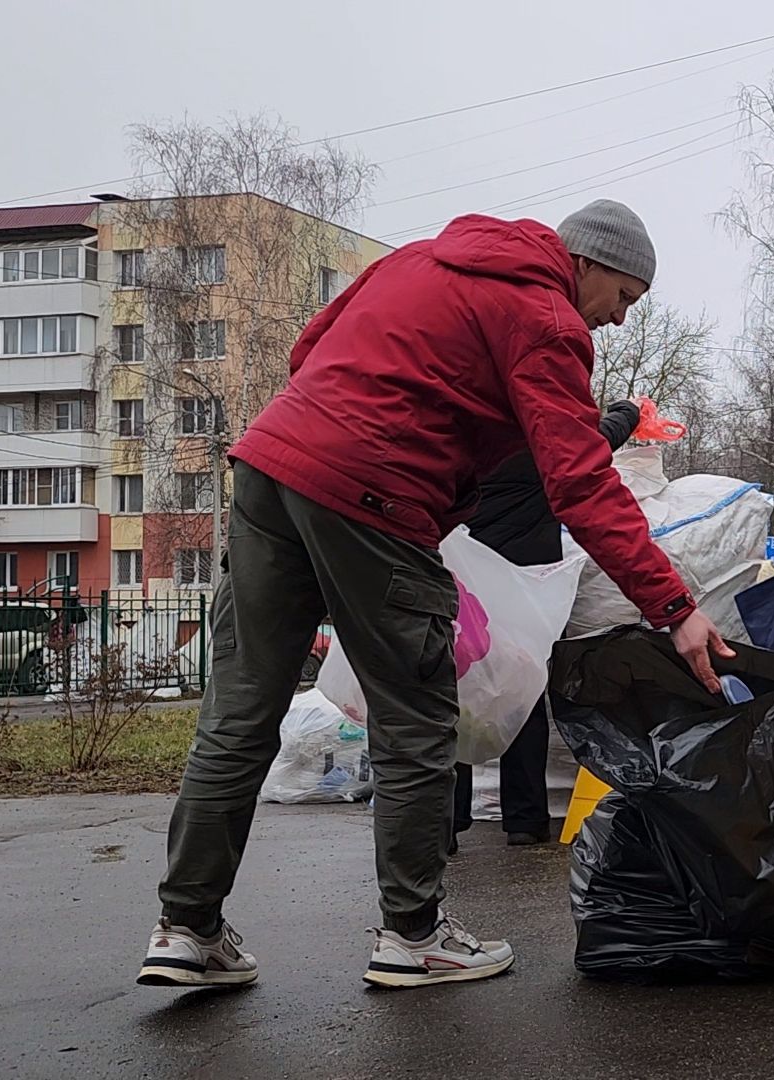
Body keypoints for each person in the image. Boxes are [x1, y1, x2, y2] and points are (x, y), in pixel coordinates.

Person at [138, 200, 733, 992]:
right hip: (376, 493)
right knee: (416, 718)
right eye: (622, 296)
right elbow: (582, 482)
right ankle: (415, 935)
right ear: (585, 262)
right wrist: (675, 608)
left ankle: (186, 927)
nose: (618, 319)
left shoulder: (418, 259)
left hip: (271, 468)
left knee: (240, 710)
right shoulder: (548, 320)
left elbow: (310, 347)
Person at [449, 399, 641, 848]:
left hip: (466, 589)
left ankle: (446, 823)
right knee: (525, 696)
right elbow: (594, 443)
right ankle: (525, 819)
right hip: (524, 589)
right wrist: (628, 412)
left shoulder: (464, 439)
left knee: (456, 697)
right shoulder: (539, 441)